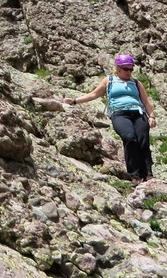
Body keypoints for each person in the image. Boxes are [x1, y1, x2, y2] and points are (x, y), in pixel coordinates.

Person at [63, 53, 156, 185]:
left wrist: (151, 116)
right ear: (118, 68)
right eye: (126, 69)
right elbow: (94, 94)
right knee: (129, 138)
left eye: (131, 69)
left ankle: (148, 174)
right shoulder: (109, 81)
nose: (129, 72)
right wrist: (74, 101)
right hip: (120, 113)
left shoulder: (136, 83)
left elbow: (146, 102)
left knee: (143, 141)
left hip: (138, 112)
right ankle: (135, 175)